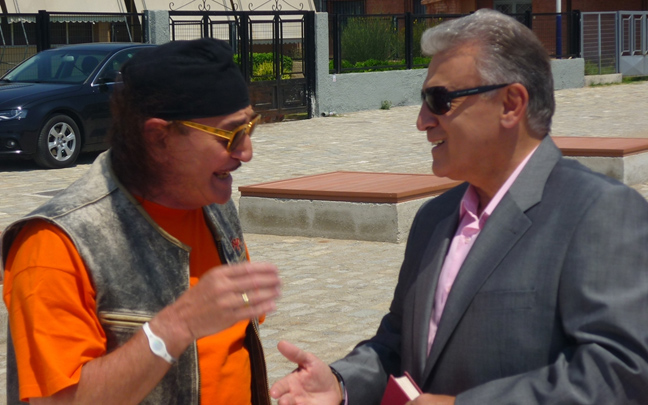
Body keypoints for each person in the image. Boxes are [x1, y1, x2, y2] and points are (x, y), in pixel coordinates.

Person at [270, 9, 648, 405]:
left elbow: (623, 373)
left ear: (510, 104)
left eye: (439, 100)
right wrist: (341, 383)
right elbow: (397, 343)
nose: (422, 121)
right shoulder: (433, 218)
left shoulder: (599, 212)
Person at [1, 38, 281, 404]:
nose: (246, 151)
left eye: (250, 127)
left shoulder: (212, 202)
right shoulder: (55, 245)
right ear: (159, 137)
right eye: (231, 134)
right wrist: (176, 326)